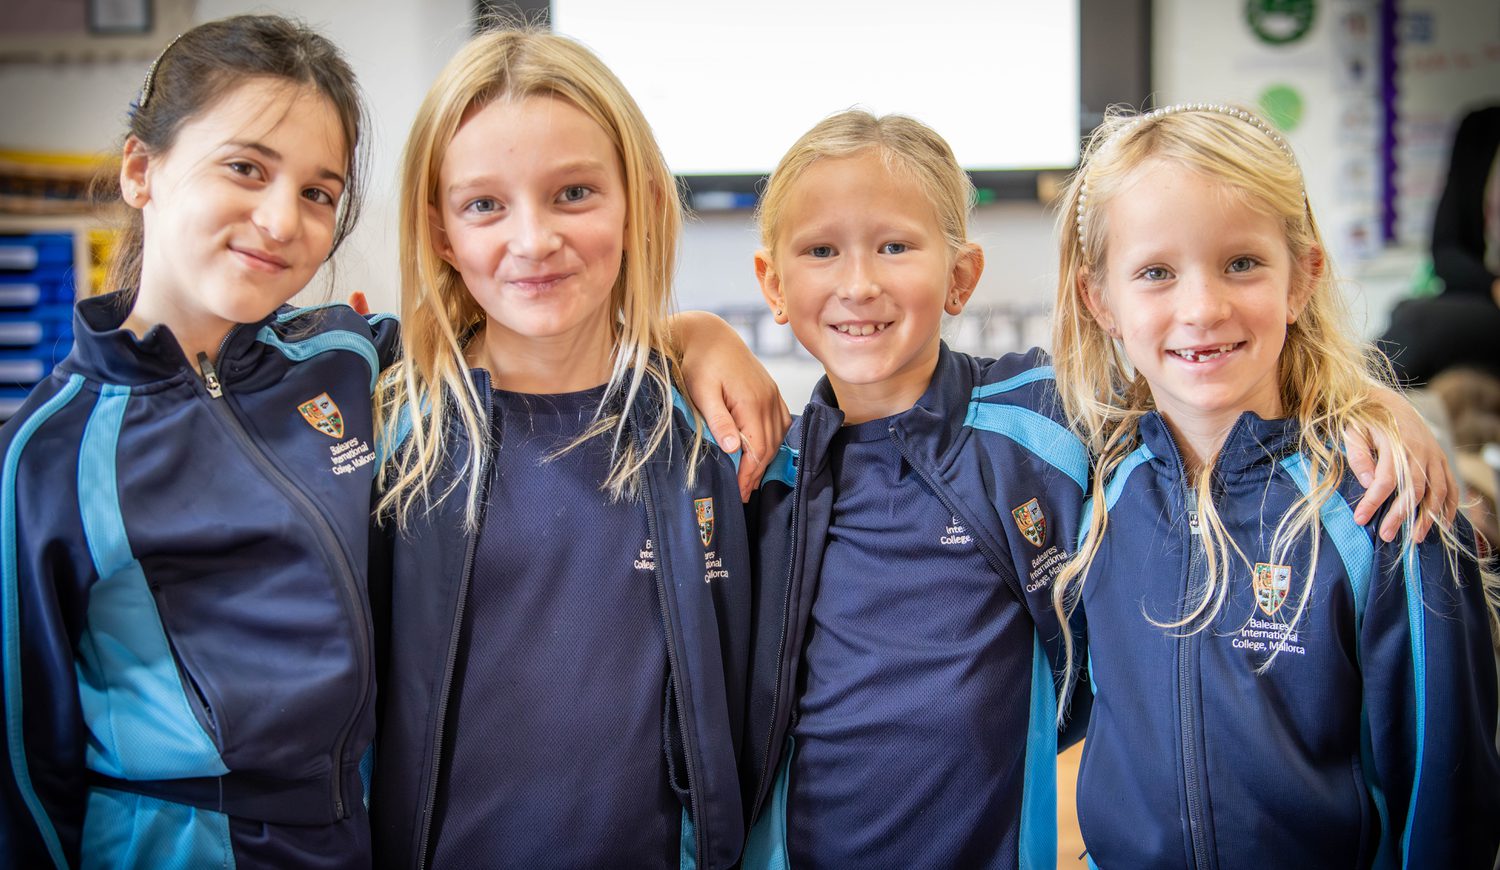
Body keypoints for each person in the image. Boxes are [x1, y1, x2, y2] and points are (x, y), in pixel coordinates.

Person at [1050, 103, 1500, 868]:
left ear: (1303, 278)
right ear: (1102, 301)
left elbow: (1446, 789)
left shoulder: (1381, 505)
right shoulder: (1093, 481)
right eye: (1156, 272)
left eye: (1241, 264)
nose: (1202, 308)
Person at [0, 15, 396, 868]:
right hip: (173, 842)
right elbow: (24, 767)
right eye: (246, 168)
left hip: (349, 832)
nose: (282, 219)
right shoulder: (46, 453)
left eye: (319, 193)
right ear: (142, 169)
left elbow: (516, 344)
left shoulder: (350, 358)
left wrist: (692, 334)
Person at [367, 29, 755, 869]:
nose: (533, 239)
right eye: (484, 205)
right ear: (440, 233)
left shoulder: (704, 431)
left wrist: (696, 337)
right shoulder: (392, 438)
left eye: (573, 192)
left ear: (640, 202)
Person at [739, 109, 1089, 868]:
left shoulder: (1040, 418)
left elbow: (1199, 395)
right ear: (774, 282)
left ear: (960, 276)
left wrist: (1366, 407)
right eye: (822, 250)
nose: (858, 284)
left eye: (894, 247)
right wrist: (688, 334)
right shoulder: (769, 473)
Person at [1379, 104, 1500, 384]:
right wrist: (1492, 286)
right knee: (1404, 310)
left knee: (1419, 324)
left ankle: (1330, 408)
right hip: (1482, 292)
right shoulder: (1480, 127)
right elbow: (1446, 254)